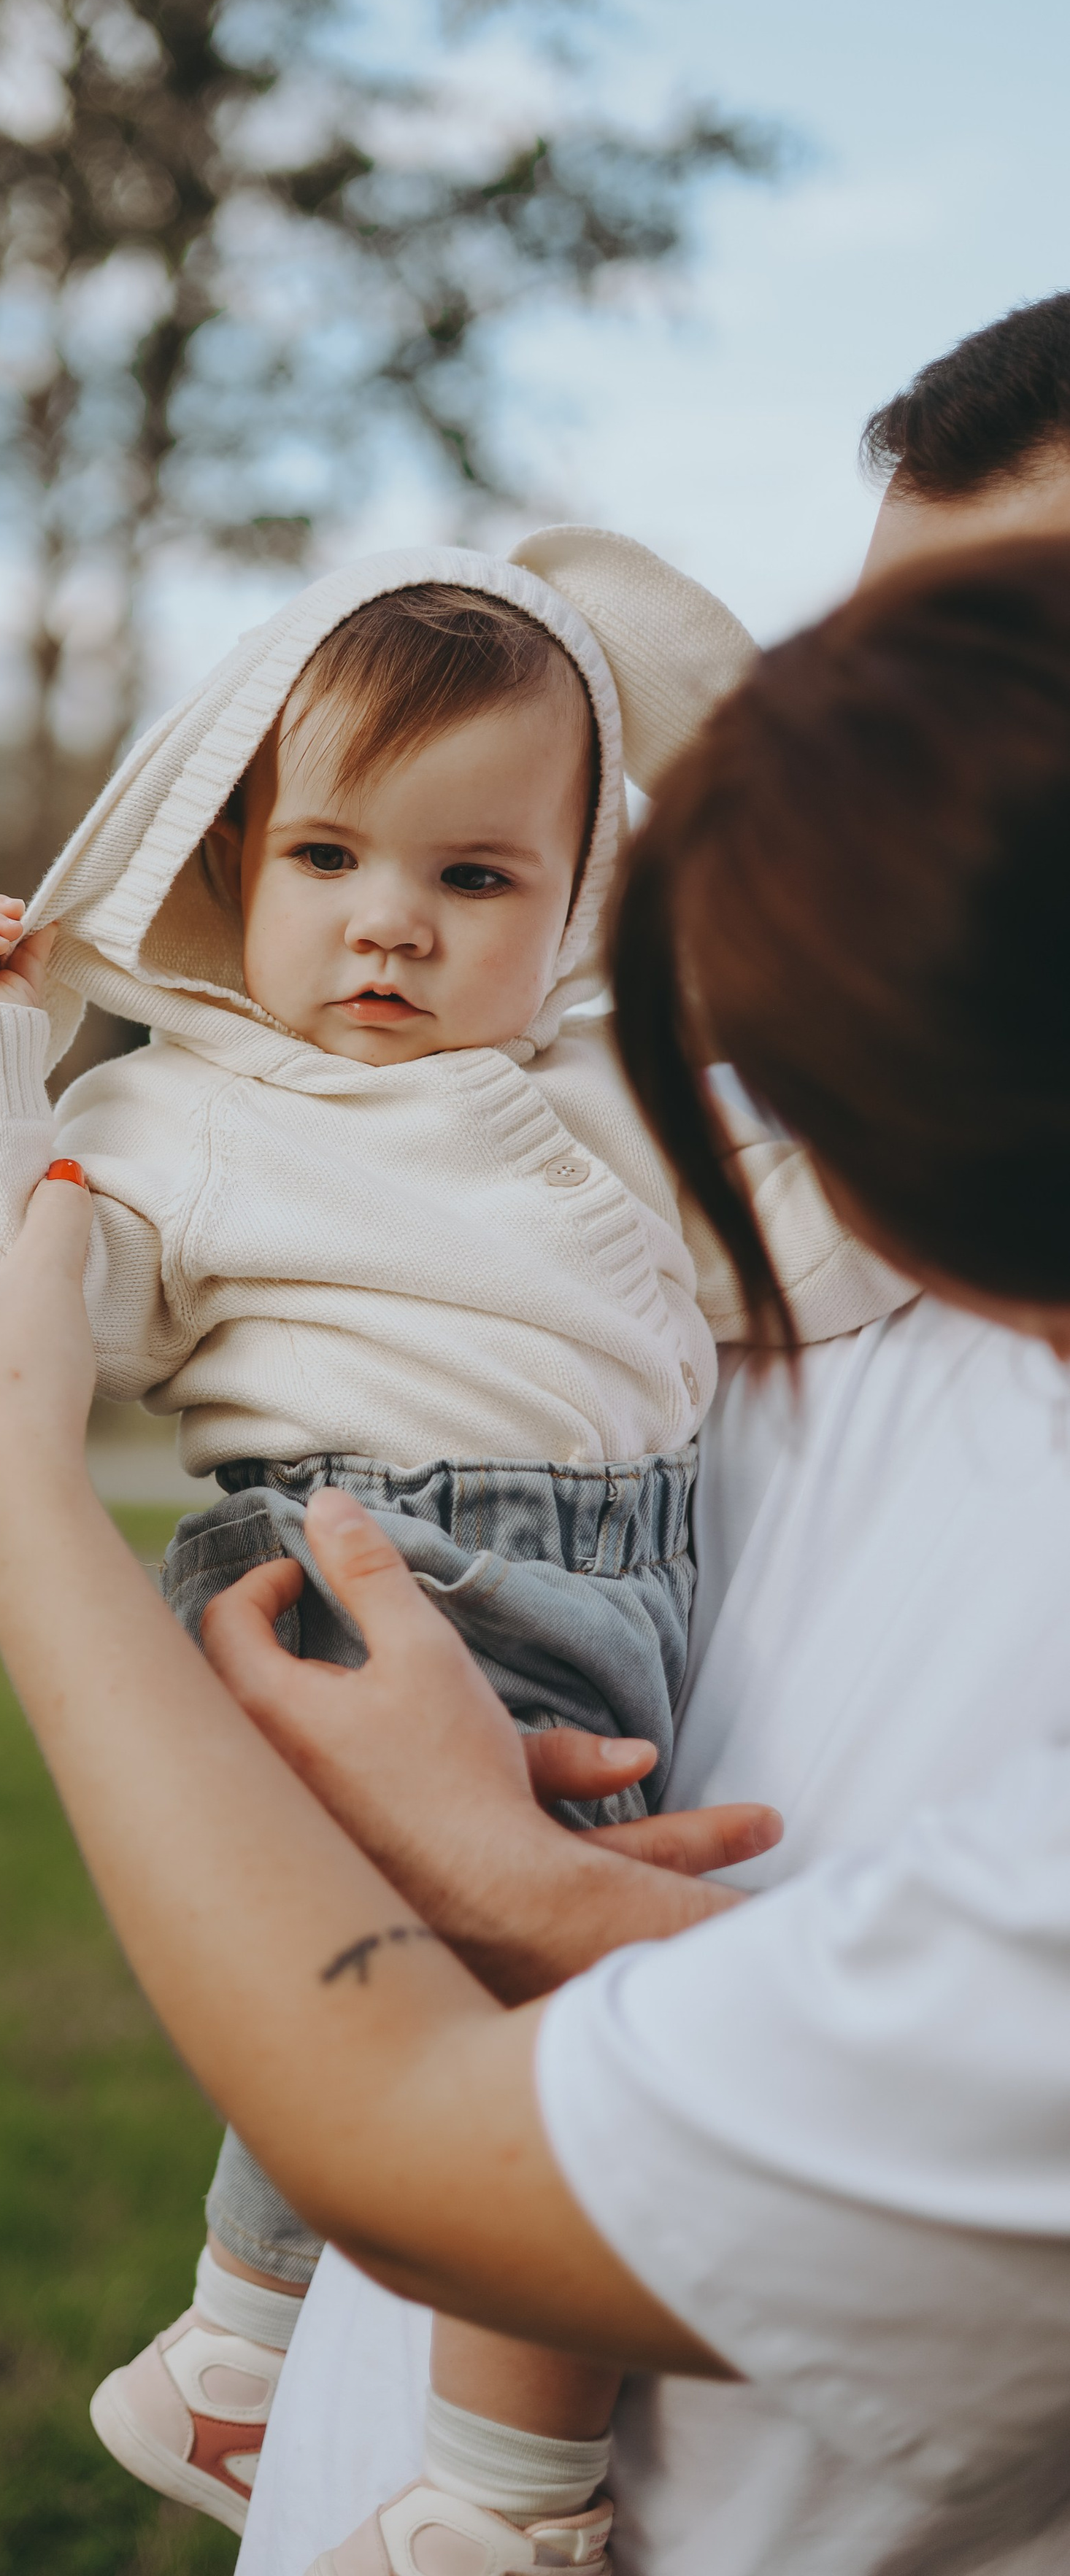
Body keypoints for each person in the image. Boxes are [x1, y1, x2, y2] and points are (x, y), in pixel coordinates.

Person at [0, 528, 1070, 2574]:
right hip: (383, 1555)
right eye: (328, 857)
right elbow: (5, 1289)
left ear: (574, 902)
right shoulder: (191, 1112)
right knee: (534, 2005)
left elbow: (819, 1233)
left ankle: (238, 2348)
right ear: (232, 862)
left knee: (441, 1947)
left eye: (474, 878)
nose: (389, 922)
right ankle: (503, 2494)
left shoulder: (607, 1098)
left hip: (609, 1570)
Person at [234, 289, 1070, 2576]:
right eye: (879, 676)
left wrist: (494, 1877)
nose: (906, 779)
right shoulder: (758, 1205)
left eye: (1004, 673)